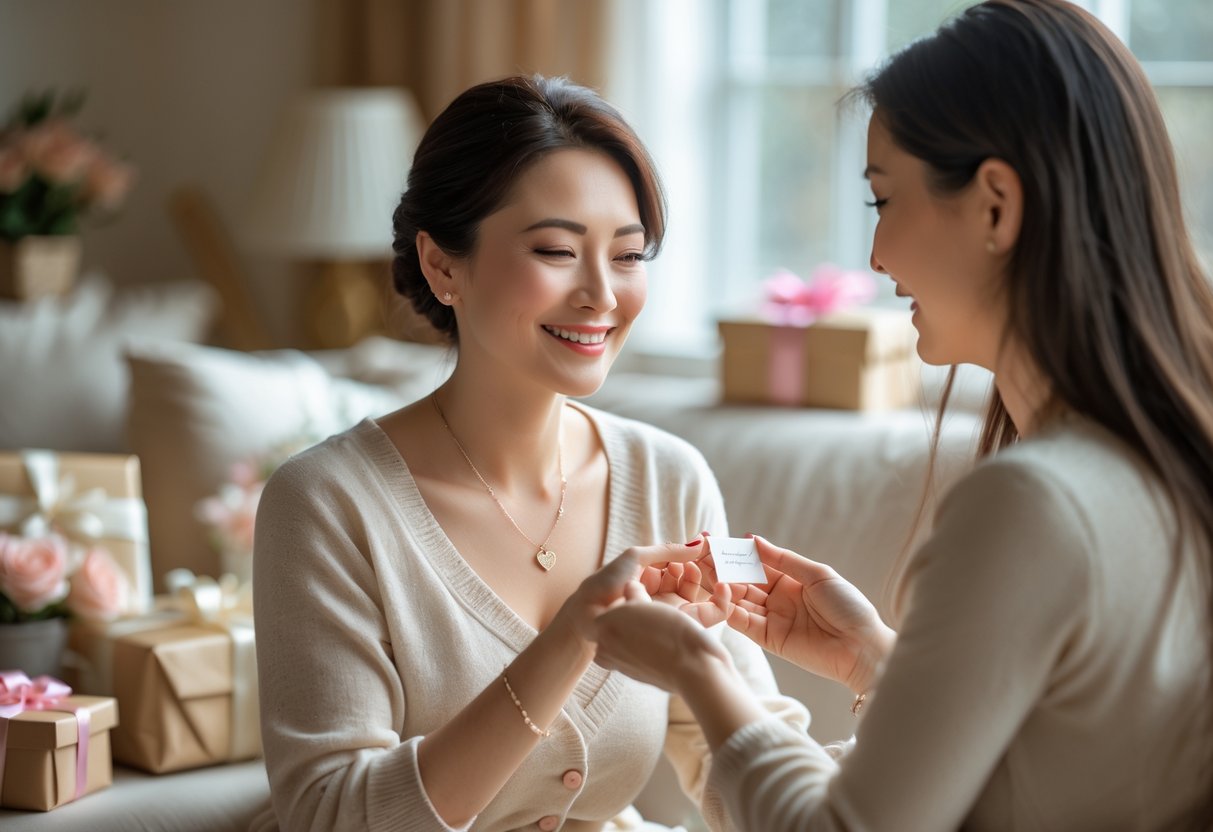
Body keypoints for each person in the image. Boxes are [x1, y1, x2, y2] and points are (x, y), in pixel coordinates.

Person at [590, 1, 1213, 829]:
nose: (876, 257)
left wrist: (700, 672)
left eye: (883, 202)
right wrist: (878, 664)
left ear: (995, 204)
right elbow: (1073, 756)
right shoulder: (1157, 462)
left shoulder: (1036, 502)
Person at [251, 74, 807, 831]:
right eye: (555, 250)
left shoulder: (670, 477)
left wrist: (878, 674)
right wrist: (573, 638)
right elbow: (331, 815)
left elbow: (742, 760)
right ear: (443, 265)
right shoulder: (325, 502)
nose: (602, 295)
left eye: (628, 255)